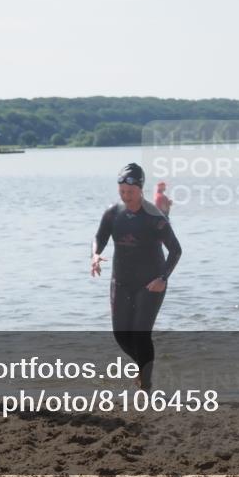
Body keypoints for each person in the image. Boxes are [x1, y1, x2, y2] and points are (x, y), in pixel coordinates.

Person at [91, 163, 181, 390]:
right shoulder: (113, 213)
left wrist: (163, 278)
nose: (126, 196)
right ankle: (144, 367)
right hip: (120, 281)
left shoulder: (154, 217)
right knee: (121, 335)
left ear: (140, 189)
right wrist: (95, 254)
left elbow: (176, 250)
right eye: (122, 192)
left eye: (130, 192)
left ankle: (146, 385)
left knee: (141, 334)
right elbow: (99, 238)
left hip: (150, 283)